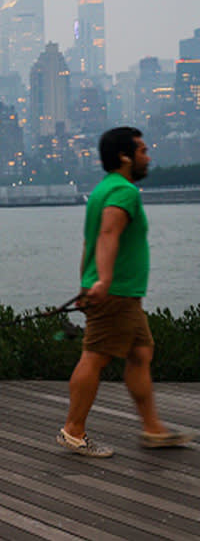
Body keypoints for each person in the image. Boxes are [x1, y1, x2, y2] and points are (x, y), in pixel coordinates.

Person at [57, 126, 194, 457]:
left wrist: (86, 283)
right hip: (114, 291)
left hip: (118, 292)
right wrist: (102, 281)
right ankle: (73, 432)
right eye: (143, 151)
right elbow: (107, 234)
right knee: (95, 356)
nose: (148, 156)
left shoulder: (103, 189)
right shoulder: (123, 192)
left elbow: (89, 242)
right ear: (124, 156)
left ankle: (153, 429)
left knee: (140, 353)